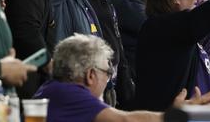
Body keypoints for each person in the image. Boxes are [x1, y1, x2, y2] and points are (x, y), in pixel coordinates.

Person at [34, 34, 164, 122]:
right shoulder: (71, 94)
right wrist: (175, 115)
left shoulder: (54, 88)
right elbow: (126, 119)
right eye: (107, 73)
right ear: (90, 75)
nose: (108, 79)